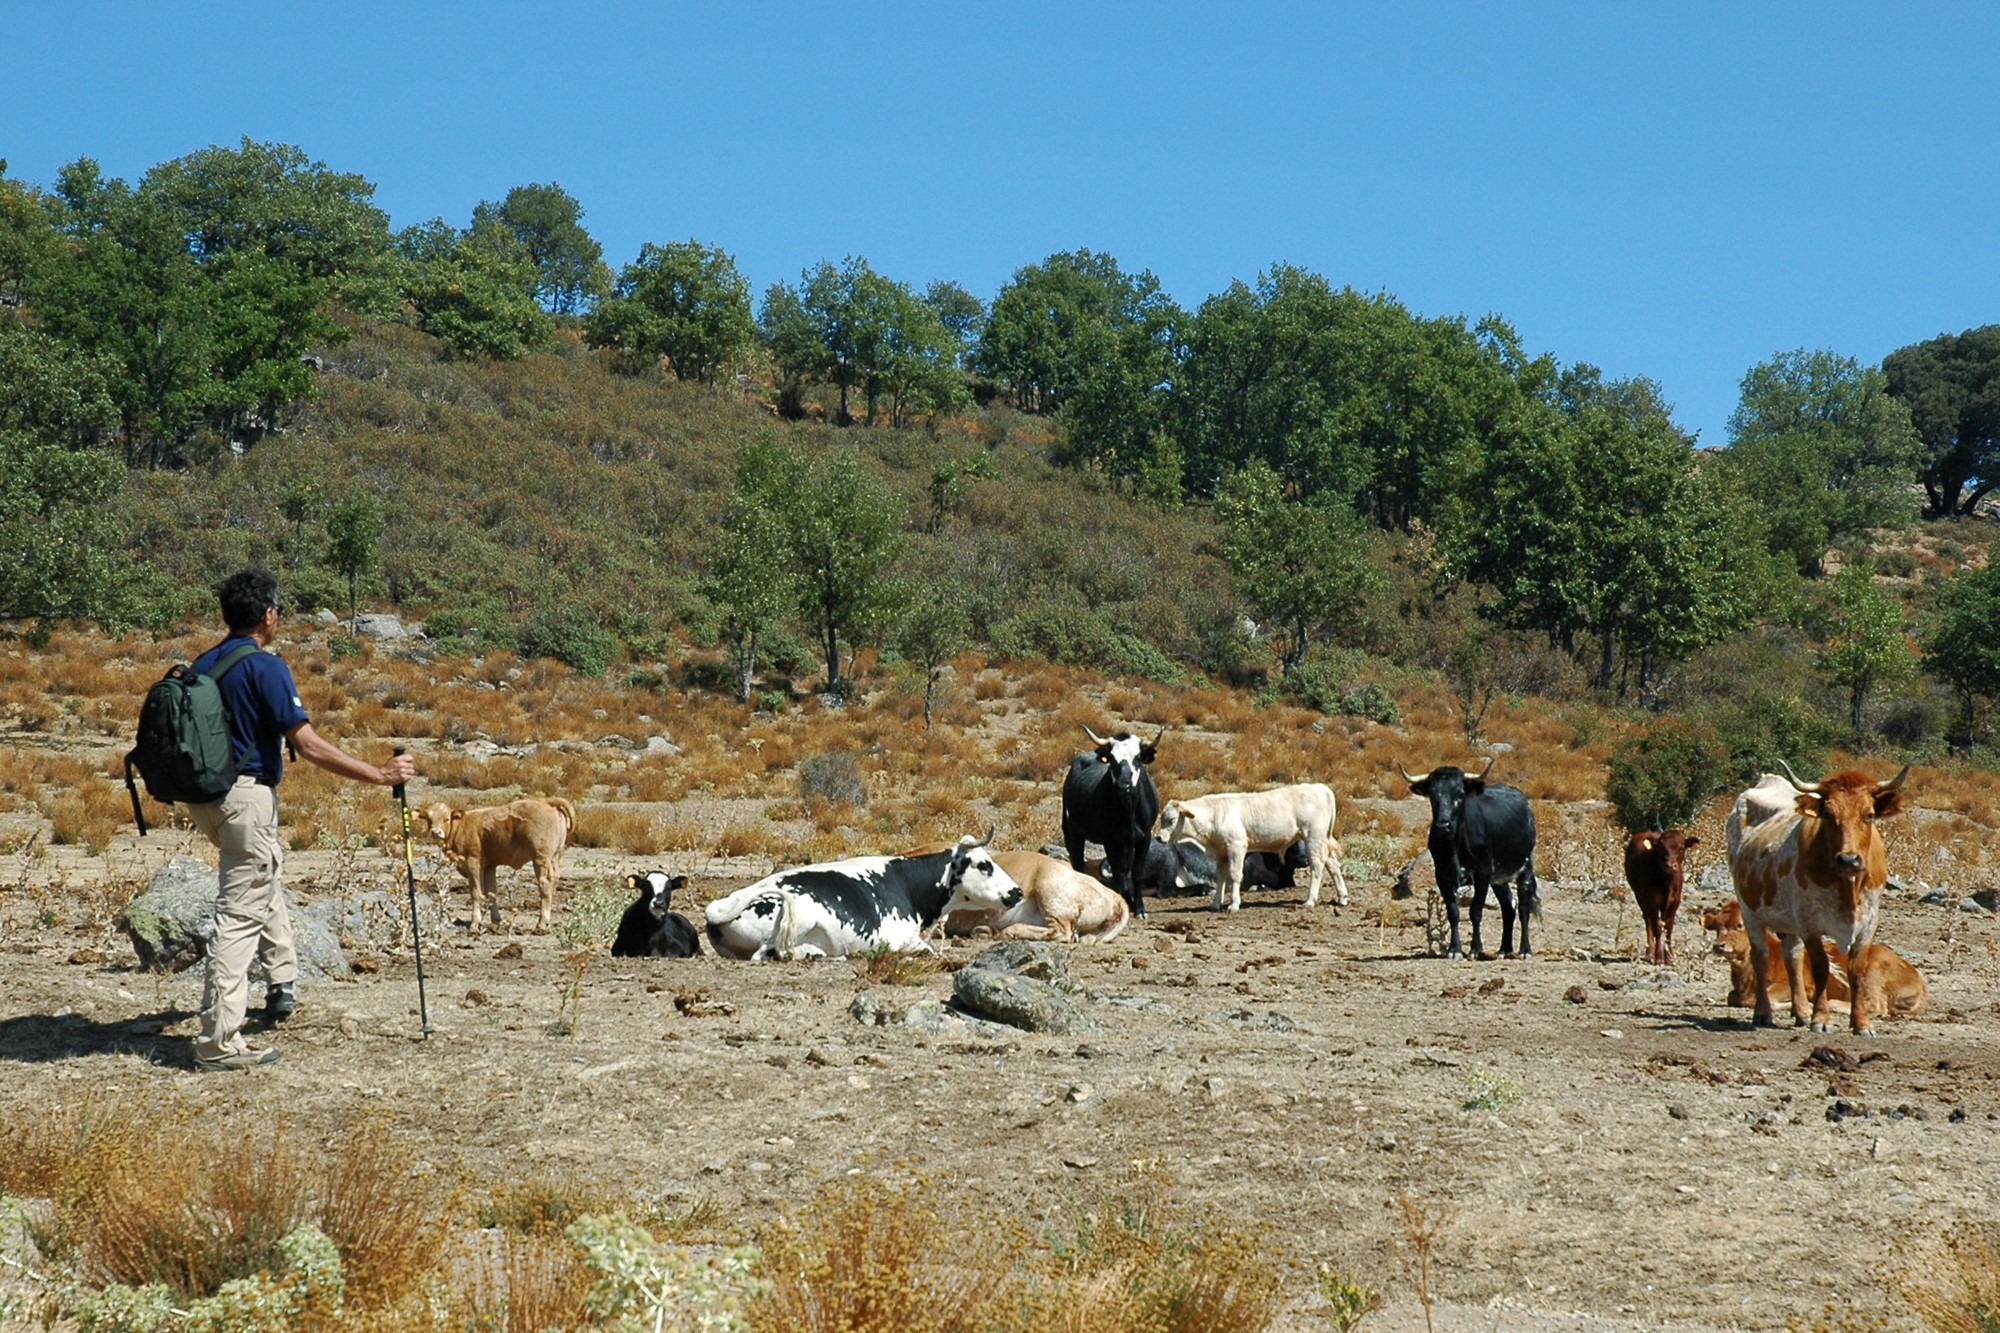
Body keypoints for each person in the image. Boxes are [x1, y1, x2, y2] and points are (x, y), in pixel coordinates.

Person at [186, 568, 416, 1072]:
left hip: (205, 799)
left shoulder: (205, 662)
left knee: (261, 874)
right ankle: (219, 1040)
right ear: (268, 615)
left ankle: (282, 980)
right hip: (246, 796)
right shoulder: (265, 667)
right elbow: (307, 744)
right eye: (279, 610)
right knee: (239, 912)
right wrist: (378, 774)